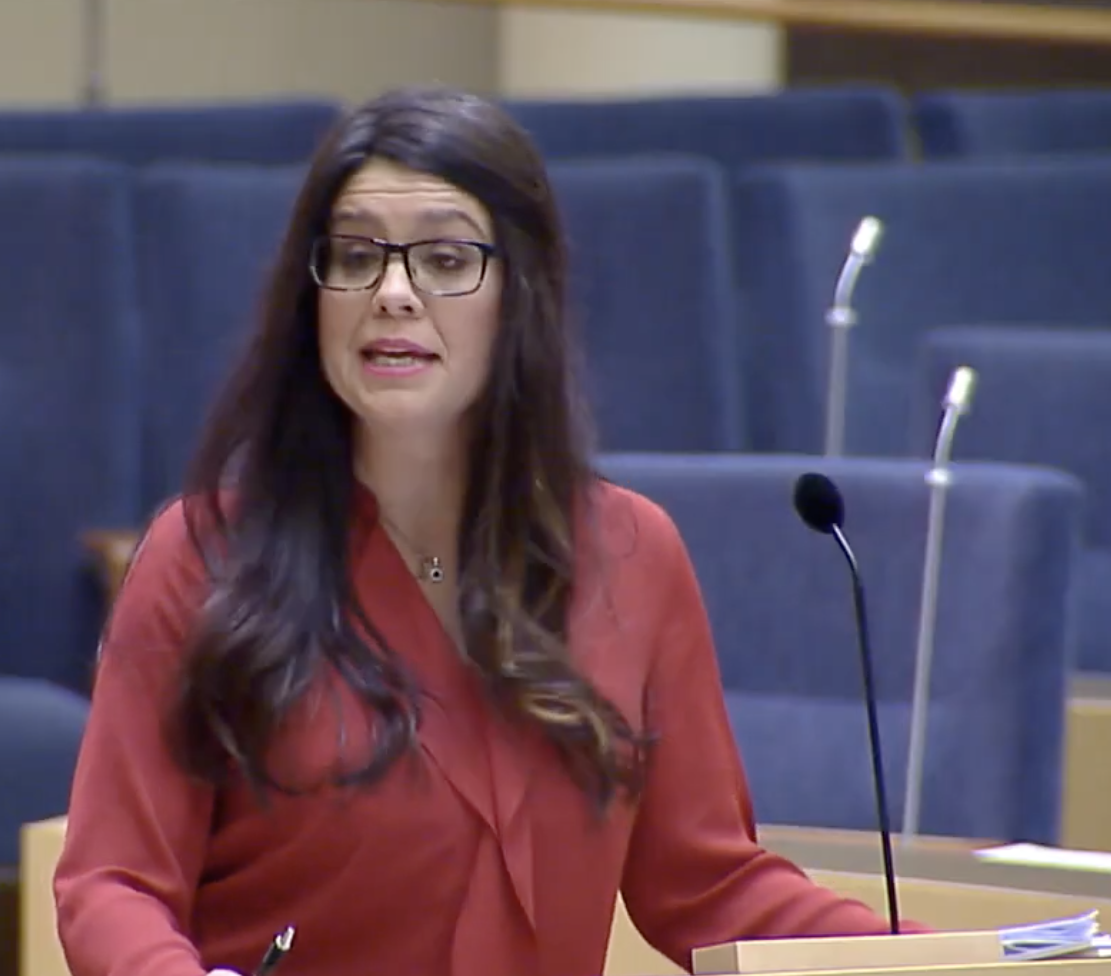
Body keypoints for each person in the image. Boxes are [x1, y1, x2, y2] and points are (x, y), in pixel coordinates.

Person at [53, 86, 922, 976]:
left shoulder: (631, 554)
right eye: (356, 256)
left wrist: (950, 962)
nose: (392, 293)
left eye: (444, 258)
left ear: (520, 292)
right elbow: (113, 884)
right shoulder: (205, 558)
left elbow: (707, 886)